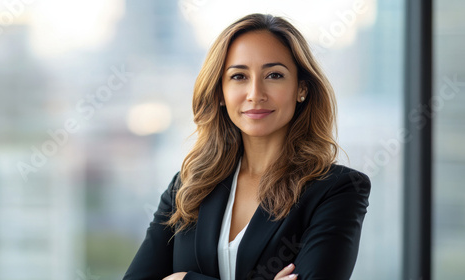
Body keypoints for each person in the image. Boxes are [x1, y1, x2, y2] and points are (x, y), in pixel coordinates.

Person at [123, 13, 370, 280]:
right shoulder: (188, 188)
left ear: (302, 89)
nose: (255, 93)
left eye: (274, 75)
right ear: (220, 92)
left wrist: (182, 279)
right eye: (239, 76)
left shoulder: (338, 190)